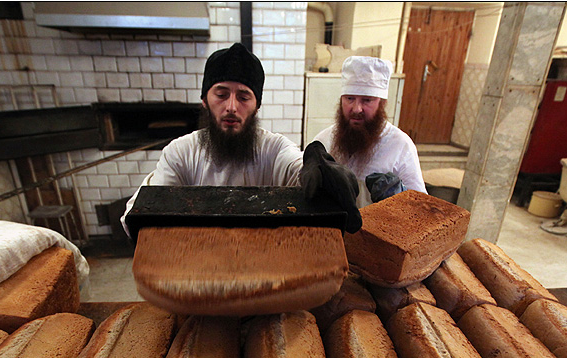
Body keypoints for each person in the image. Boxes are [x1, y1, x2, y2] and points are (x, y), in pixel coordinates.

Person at [123, 42, 360, 237]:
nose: (231, 107)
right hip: (200, 269)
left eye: (244, 97)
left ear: (257, 106)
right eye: (221, 94)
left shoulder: (274, 150)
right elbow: (151, 210)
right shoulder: (181, 152)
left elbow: (297, 168)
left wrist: (316, 167)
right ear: (204, 100)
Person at [312, 55, 427, 207]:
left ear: (382, 103)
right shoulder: (323, 141)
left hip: (379, 230)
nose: (356, 109)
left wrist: (400, 198)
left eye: (367, 100)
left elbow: (422, 209)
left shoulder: (401, 146)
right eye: (350, 98)